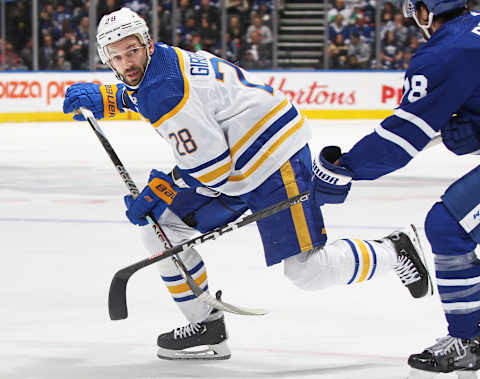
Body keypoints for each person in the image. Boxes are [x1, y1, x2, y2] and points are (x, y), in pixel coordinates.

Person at [63, 7, 431, 361]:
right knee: (164, 229)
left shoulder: (165, 89)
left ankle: (394, 250)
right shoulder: (159, 66)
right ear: (105, 59)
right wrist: (107, 99)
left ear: (147, 43)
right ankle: (207, 328)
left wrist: (162, 190)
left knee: (307, 270)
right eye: (117, 55)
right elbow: (151, 98)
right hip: (238, 159)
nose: (128, 61)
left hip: (273, 157)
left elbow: (211, 168)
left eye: (133, 50)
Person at [309, 0, 480, 376]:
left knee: (448, 226)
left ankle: (470, 340)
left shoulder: (445, 54)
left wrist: (346, 167)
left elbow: (399, 141)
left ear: (424, 12)